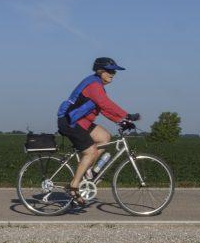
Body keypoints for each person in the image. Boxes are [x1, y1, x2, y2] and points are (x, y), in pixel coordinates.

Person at [56, 57, 139, 206]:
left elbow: (104, 110)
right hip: (70, 121)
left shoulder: (98, 86)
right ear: (100, 71)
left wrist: (121, 121)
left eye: (114, 71)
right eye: (110, 71)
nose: (113, 74)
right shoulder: (94, 85)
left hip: (82, 121)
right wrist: (126, 115)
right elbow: (105, 104)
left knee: (105, 137)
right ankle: (74, 187)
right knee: (91, 152)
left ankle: (90, 172)